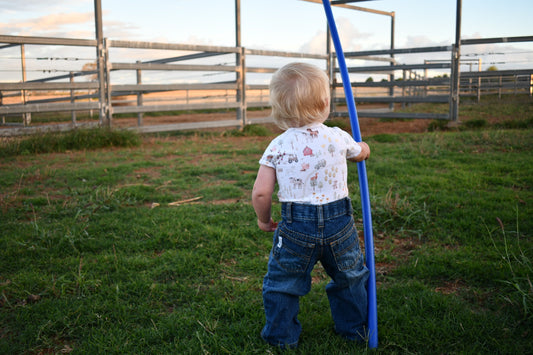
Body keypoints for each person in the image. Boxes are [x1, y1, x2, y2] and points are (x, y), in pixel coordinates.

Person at [252, 62, 371, 349]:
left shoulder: (277, 145)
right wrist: (364, 148)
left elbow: (261, 193)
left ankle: (281, 338)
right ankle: (354, 330)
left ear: (278, 107)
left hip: (295, 227)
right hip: (339, 222)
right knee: (350, 277)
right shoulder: (339, 136)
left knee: (282, 283)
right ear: (325, 102)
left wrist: (263, 220)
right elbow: (361, 152)